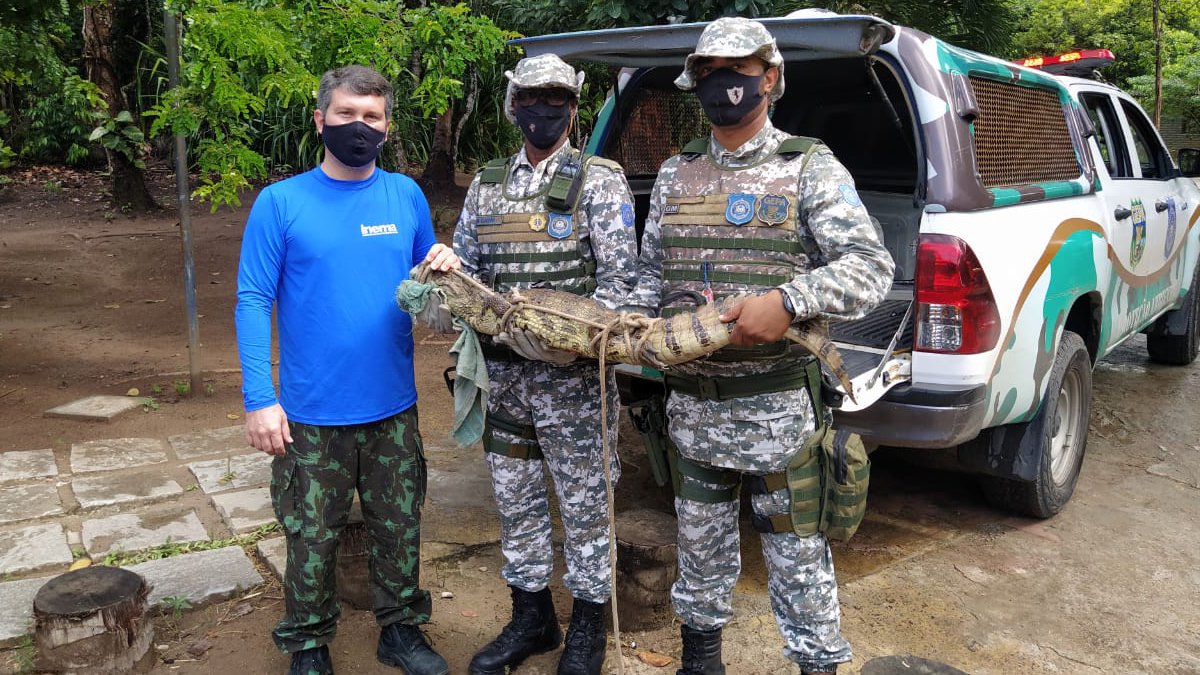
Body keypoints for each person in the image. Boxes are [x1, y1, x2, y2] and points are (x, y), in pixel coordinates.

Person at [628, 17, 895, 675]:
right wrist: (623, 330)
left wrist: (789, 300)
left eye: (739, 72)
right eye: (711, 75)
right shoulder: (675, 173)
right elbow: (646, 277)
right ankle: (701, 660)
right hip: (691, 411)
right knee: (699, 554)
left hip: (778, 413)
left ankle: (817, 664)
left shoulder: (807, 166)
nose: (725, 86)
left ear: (770, 78)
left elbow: (871, 267)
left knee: (798, 563)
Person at [235, 64, 460, 675]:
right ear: (320, 120)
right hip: (308, 414)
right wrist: (260, 398)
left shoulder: (405, 196)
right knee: (310, 536)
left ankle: (402, 632)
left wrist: (444, 269)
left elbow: (429, 296)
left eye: (372, 117)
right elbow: (253, 299)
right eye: (346, 115)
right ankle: (308, 643)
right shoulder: (281, 202)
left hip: (392, 407)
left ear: (386, 127)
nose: (359, 127)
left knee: (399, 528)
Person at [451, 53, 639, 675]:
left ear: (573, 105)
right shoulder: (487, 184)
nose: (542, 109)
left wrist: (569, 336)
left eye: (555, 97)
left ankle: (587, 626)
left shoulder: (600, 179)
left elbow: (622, 283)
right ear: (513, 105)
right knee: (517, 500)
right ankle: (531, 617)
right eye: (530, 98)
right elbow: (467, 273)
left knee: (588, 506)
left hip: (575, 382)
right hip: (504, 381)